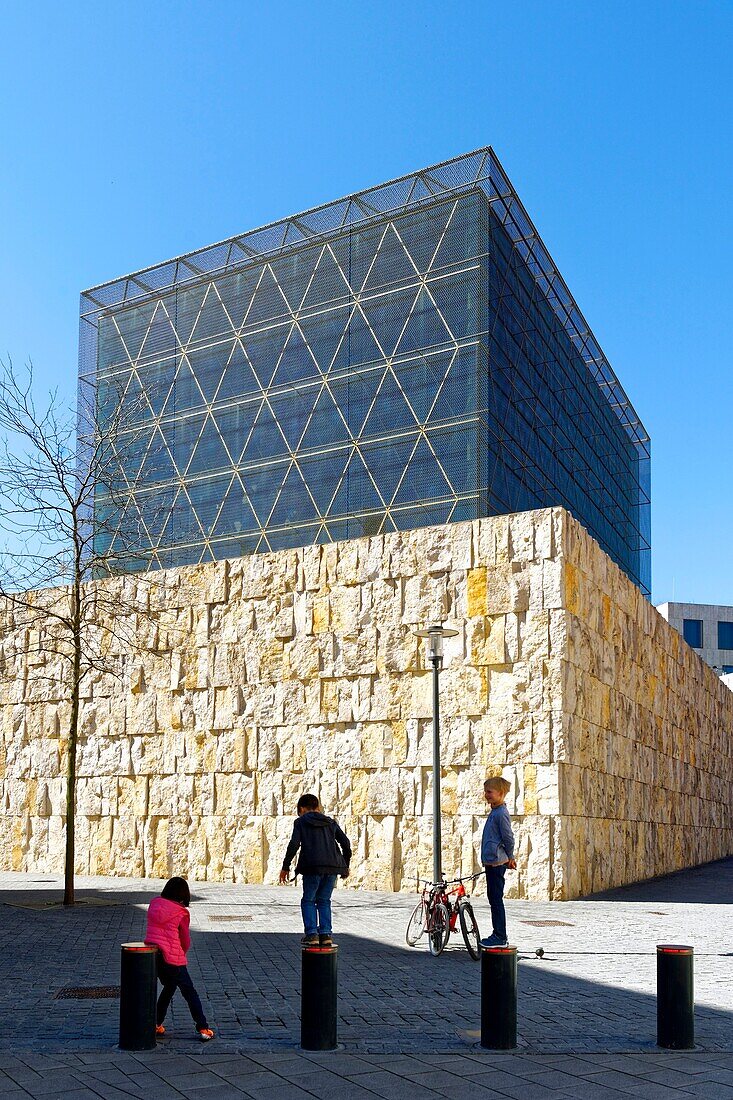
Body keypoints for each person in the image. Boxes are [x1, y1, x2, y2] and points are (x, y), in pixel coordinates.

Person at [144, 876, 214, 1041]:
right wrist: (182, 952)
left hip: (154, 954)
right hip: (172, 957)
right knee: (189, 992)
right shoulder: (181, 912)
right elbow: (185, 939)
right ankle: (203, 1027)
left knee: (169, 987)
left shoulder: (154, 904)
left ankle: (156, 1023)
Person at [279, 793, 352, 946]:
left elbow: (294, 844)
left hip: (311, 867)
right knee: (324, 900)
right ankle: (325, 934)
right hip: (332, 867)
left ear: (302, 809)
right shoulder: (330, 822)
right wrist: (345, 865)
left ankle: (312, 934)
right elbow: (345, 843)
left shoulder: (300, 822)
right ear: (317, 807)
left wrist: (286, 866)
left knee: (309, 900)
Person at [480, 776, 516, 948]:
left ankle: (500, 936)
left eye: (490, 792)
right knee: (493, 898)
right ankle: (498, 934)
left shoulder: (501, 813)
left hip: (496, 862)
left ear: (500, 794)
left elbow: (508, 837)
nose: (486, 795)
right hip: (492, 861)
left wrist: (511, 857)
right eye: (485, 791)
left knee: (496, 899)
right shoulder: (495, 811)